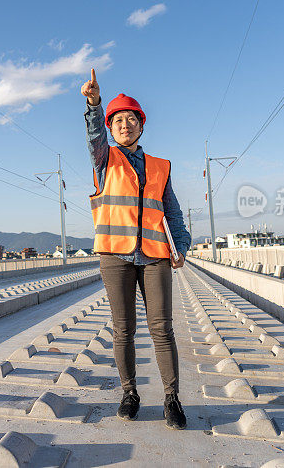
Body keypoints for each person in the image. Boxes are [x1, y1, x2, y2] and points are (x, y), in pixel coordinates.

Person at [81, 68, 191, 430]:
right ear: (111, 128)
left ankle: (171, 398)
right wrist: (95, 104)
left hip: (155, 256)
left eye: (131, 119)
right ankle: (129, 393)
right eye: (118, 121)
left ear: (141, 126)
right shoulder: (104, 159)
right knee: (122, 329)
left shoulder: (160, 166)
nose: (125, 125)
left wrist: (182, 247)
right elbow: (94, 135)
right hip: (115, 256)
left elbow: (172, 212)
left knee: (162, 329)